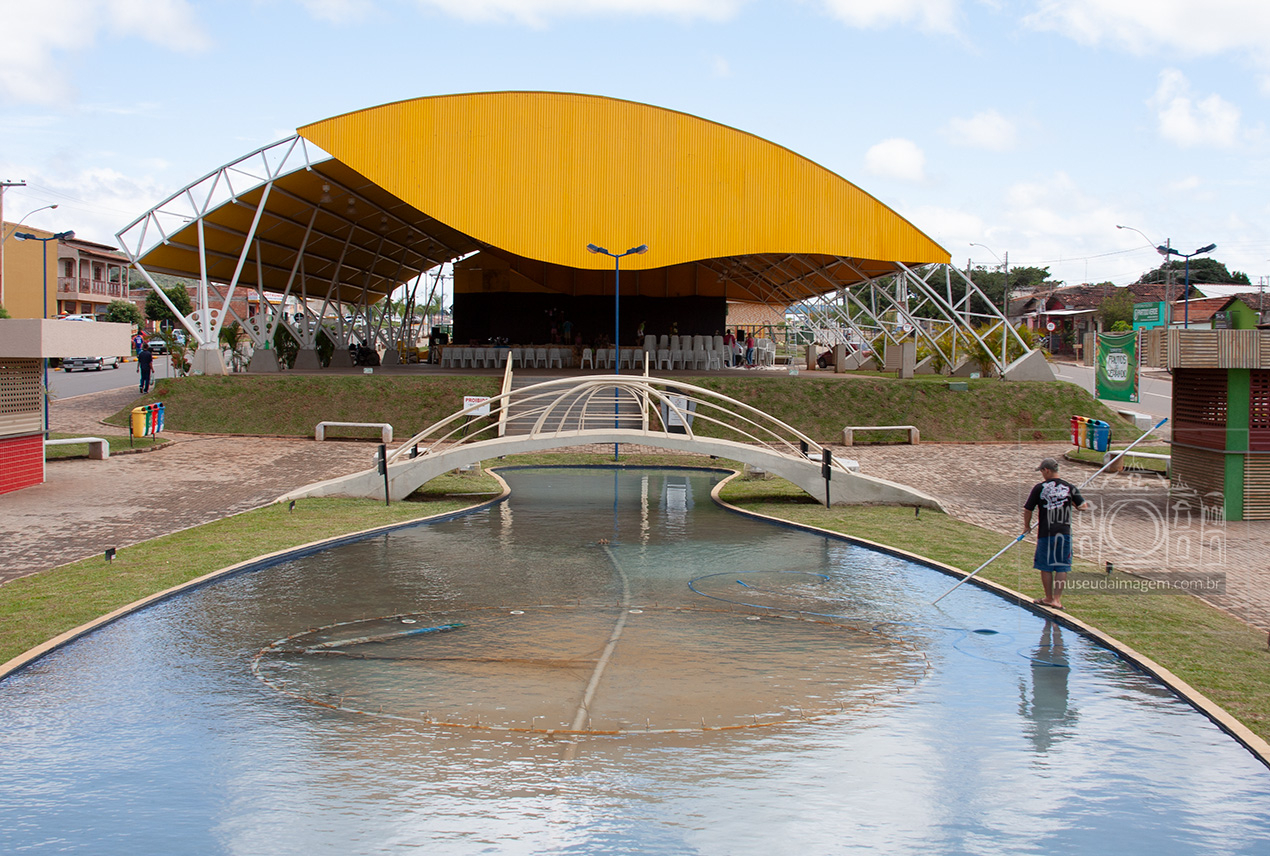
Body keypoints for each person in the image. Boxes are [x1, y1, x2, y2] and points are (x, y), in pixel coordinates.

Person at [1023, 457, 1088, 610]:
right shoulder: (1069, 487)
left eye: (1041, 471)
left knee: (1045, 566)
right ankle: (1057, 600)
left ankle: (1048, 597)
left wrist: (1026, 526)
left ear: (1046, 470)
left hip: (1046, 532)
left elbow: (1028, 509)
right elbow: (1083, 507)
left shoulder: (1039, 488)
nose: (1041, 474)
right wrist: (1072, 502)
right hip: (1064, 533)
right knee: (1061, 566)